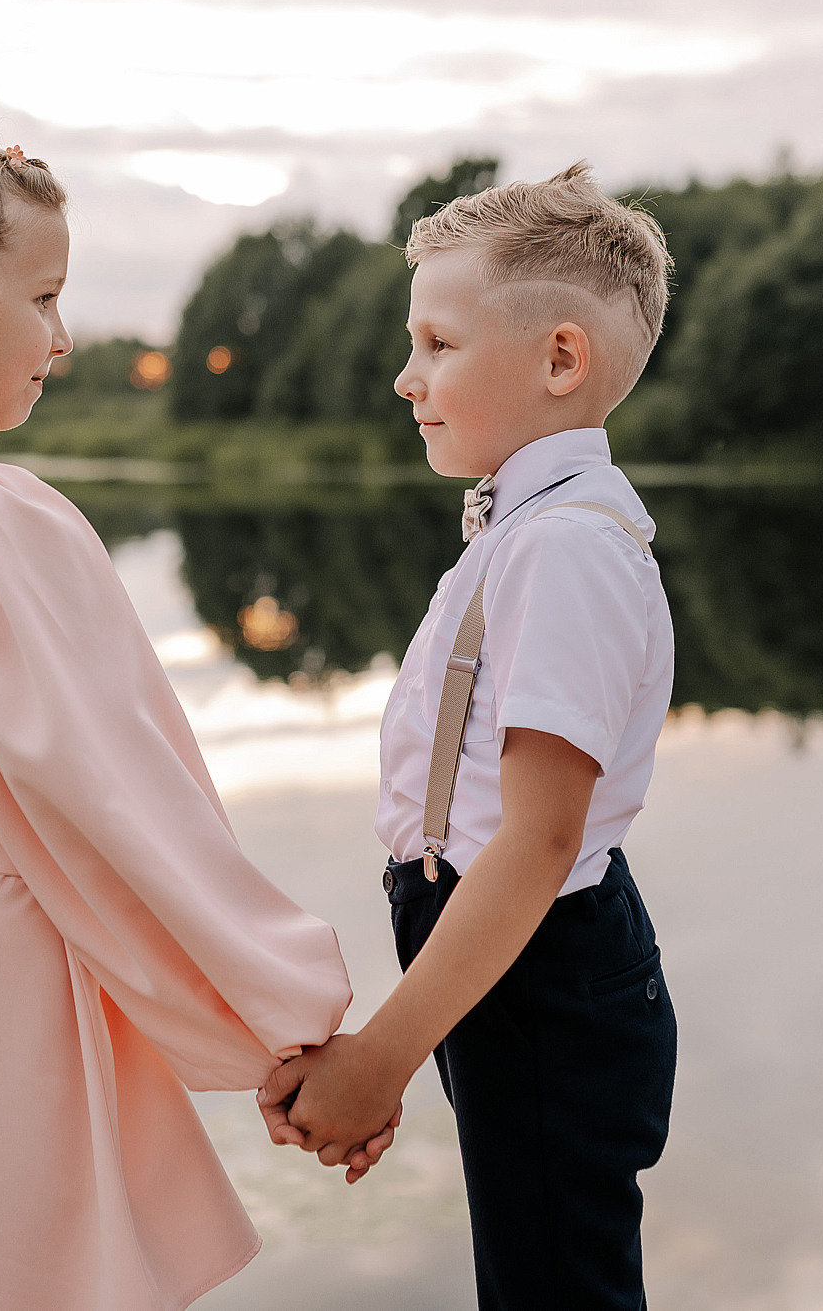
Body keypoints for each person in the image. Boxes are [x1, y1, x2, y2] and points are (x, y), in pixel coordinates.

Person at [0, 125, 394, 1311]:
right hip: (7, 955)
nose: (61, 335)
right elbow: (121, 800)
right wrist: (292, 1026)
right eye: (43, 297)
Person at [258, 163, 681, 1309]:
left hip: (536, 956)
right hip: (498, 955)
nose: (405, 379)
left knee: (555, 1284)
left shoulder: (564, 548)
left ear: (558, 359)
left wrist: (378, 1054)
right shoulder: (526, 528)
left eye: (436, 344)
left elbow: (537, 843)